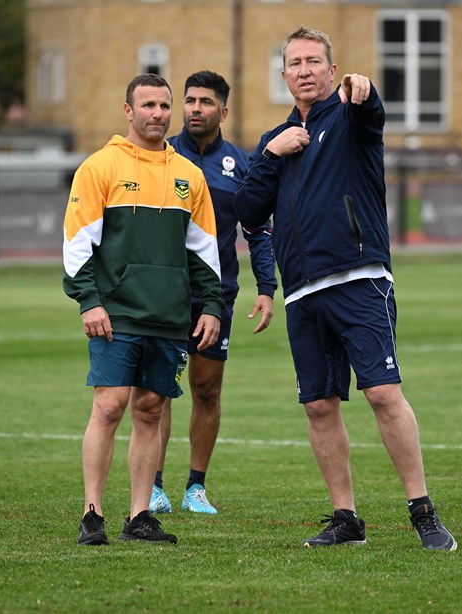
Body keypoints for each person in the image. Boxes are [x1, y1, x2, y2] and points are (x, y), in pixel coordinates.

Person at [233, 26, 456, 551]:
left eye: (315, 61)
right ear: (283, 75)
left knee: (381, 392)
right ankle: (346, 517)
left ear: (332, 71)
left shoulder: (351, 117)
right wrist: (271, 155)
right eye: (295, 63)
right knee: (318, 405)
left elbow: (371, 109)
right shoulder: (275, 140)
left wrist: (365, 91)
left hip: (359, 278)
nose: (305, 70)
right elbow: (246, 210)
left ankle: (422, 511)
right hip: (302, 292)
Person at [63, 73, 224, 545]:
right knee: (109, 406)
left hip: (169, 316)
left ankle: (139, 516)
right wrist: (88, 301)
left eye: (163, 106)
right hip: (115, 313)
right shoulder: (99, 167)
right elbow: (77, 245)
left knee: (151, 411)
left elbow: (205, 252)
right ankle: (93, 514)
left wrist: (212, 305)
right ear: (128, 111)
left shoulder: (189, 175)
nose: (157, 114)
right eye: (148, 105)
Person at [147, 70, 277, 515]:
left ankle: (195, 488)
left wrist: (266, 288)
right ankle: (153, 486)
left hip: (215, 297)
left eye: (205, 102)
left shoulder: (240, 165)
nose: (194, 109)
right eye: (189, 101)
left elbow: (258, 230)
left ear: (223, 110)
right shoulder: (160, 157)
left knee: (206, 389)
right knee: (157, 389)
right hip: (161, 294)